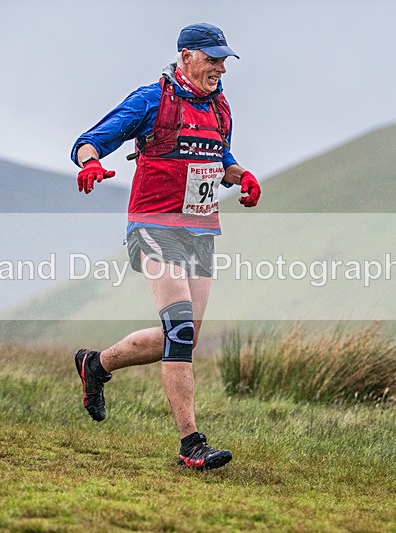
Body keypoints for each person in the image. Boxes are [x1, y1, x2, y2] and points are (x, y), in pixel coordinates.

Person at [70, 22, 260, 471]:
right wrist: (91, 164)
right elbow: (89, 140)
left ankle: (96, 364)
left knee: (183, 337)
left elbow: (222, 158)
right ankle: (191, 445)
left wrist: (242, 177)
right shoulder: (151, 98)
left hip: (201, 228)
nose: (220, 68)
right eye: (212, 59)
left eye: (223, 60)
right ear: (187, 55)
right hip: (154, 225)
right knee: (179, 329)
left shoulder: (221, 108)